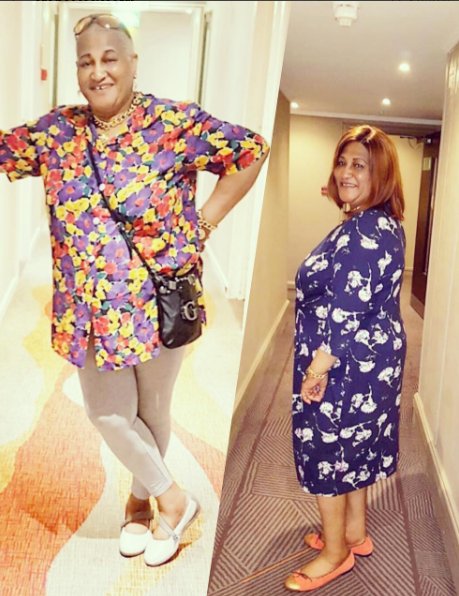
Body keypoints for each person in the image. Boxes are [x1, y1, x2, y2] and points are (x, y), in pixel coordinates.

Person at [0, 13, 269, 567]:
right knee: (108, 414)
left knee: (153, 411)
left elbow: (251, 150)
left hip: (157, 299)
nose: (98, 71)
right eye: (86, 61)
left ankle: (140, 503)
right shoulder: (56, 132)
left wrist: (205, 222)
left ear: (132, 62)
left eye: (109, 58)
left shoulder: (173, 123)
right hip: (86, 307)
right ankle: (175, 498)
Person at [285, 125, 406, 591]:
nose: (346, 172)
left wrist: (316, 370)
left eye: (360, 165)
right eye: (342, 162)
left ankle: (336, 554)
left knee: (328, 450)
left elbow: (345, 310)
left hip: (344, 362)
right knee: (353, 446)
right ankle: (354, 532)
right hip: (369, 360)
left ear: (382, 175)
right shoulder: (378, 223)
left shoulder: (365, 231)